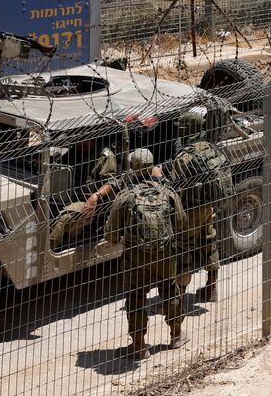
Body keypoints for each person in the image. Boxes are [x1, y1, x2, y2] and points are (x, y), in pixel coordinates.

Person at [106, 149, 188, 360]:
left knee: (136, 297)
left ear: (132, 170)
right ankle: (176, 335)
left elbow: (111, 235)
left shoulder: (125, 197)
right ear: (153, 167)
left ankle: (139, 346)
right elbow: (181, 223)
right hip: (164, 254)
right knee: (170, 290)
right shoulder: (168, 193)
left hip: (136, 257)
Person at [165, 109, 226, 302]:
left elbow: (175, 188)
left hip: (189, 211)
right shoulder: (211, 148)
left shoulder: (184, 156)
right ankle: (211, 288)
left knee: (184, 250)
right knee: (209, 243)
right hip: (208, 207)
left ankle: (179, 299)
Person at [48, 146, 127, 251]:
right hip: (68, 196)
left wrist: (95, 196)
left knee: (64, 218)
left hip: (89, 203)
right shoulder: (75, 150)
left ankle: (46, 250)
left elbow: (111, 183)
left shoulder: (105, 157)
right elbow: (60, 165)